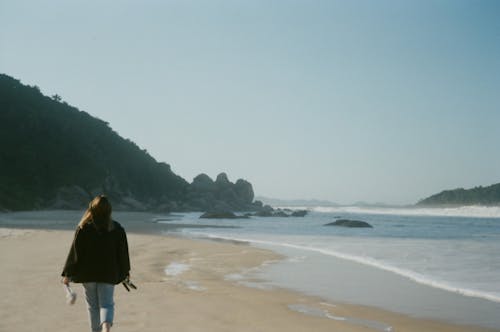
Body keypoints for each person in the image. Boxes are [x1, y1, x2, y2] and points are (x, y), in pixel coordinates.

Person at [61, 195, 130, 332]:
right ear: (109, 211)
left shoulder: (83, 228)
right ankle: (106, 328)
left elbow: (75, 253)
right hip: (108, 273)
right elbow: (123, 254)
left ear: (91, 209)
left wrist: (68, 273)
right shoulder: (117, 229)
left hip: (88, 274)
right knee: (106, 305)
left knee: (92, 307)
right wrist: (125, 273)